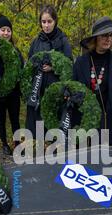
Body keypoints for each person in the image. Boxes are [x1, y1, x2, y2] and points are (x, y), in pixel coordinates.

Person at [74, 16, 112, 146]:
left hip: (106, 115)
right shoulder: (81, 62)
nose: (109, 38)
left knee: (102, 155)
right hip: (84, 116)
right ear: (96, 38)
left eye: (111, 35)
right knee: (82, 153)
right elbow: (73, 86)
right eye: (104, 35)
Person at [26, 4, 73, 138]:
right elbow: (30, 63)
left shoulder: (63, 41)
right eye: (43, 22)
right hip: (38, 89)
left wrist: (53, 67)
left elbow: (69, 65)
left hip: (56, 89)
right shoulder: (36, 42)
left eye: (49, 21)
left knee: (53, 122)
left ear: (55, 21)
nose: (46, 25)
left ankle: (55, 150)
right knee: (38, 124)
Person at [0, 15, 24, 156]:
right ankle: (4, 144)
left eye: (8, 30)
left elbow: (21, 69)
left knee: (15, 119)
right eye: (3, 30)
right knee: (1, 120)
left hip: (13, 93)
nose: (6, 33)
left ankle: (17, 144)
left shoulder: (16, 51)